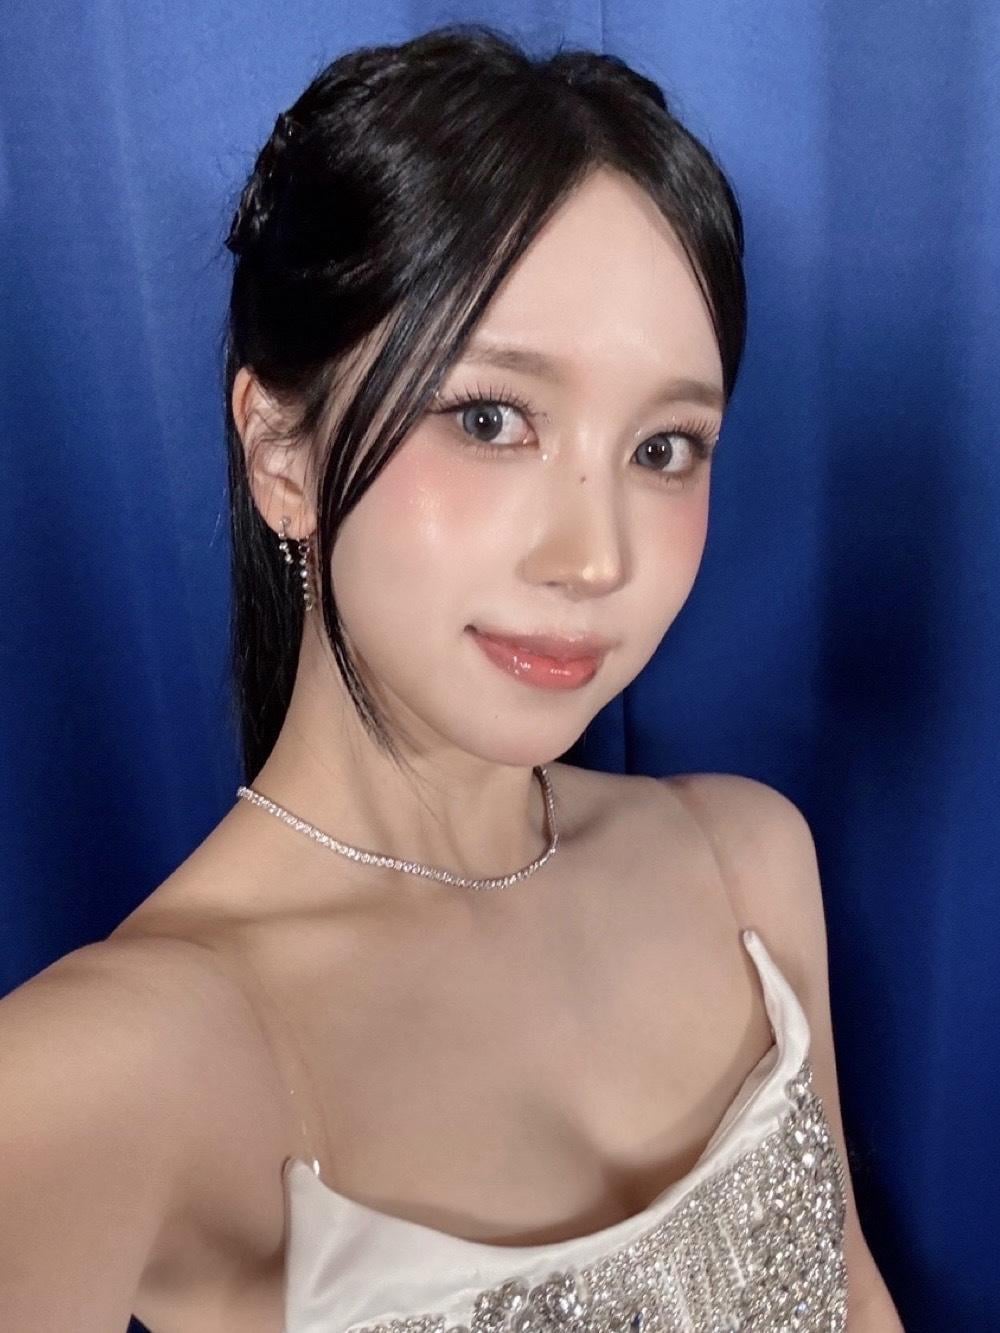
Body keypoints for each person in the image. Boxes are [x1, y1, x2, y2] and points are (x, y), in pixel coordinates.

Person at [0, 23, 903, 1333]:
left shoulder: (748, 866)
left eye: (664, 447)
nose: (595, 559)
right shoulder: (119, 1065)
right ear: (283, 453)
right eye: (490, 419)